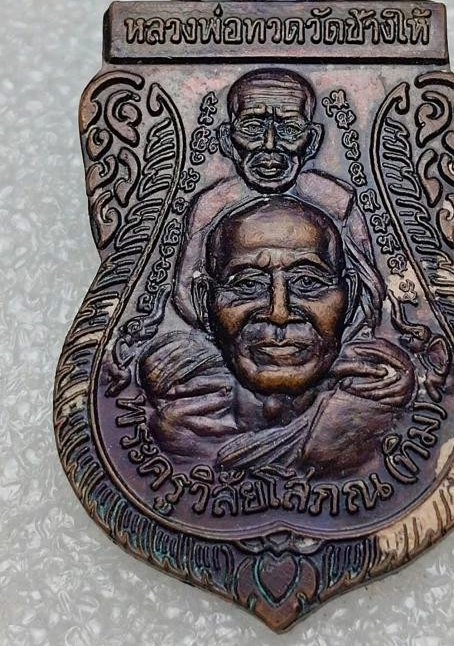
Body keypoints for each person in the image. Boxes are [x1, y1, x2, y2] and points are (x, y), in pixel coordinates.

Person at [140, 196, 415, 477]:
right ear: (203, 303)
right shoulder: (182, 412)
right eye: (247, 284)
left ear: (351, 297)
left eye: (308, 282)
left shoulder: (377, 400)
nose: (279, 313)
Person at [173, 68, 384, 331]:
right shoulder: (212, 205)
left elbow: (369, 290)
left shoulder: (337, 201)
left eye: (290, 129)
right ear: (227, 140)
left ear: (312, 141)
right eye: (252, 127)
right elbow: (184, 291)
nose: (270, 144)